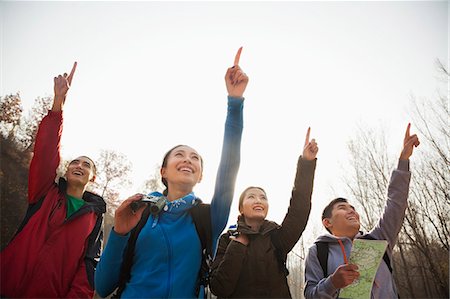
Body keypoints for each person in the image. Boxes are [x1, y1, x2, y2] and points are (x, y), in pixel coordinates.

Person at [94, 48, 248, 299]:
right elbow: (103, 286)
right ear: (163, 171)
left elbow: (229, 168)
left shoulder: (208, 218)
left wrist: (235, 103)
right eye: (179, 154)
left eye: (195, 158)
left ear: (200, 176)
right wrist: (120, 232)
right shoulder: (138, 213)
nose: (188, 159)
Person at [0, 62, 107, 298]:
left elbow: (87, 270)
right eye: (74, 162)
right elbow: (46, 151)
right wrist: (58, 104)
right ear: (66, 172)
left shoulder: (94, 218)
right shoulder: (44, 193)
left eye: (86, 164)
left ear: (93, 177)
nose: (79, 165)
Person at [304, 124, 420, 299]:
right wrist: (332, 283)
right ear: (327, 222)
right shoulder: (318, 252)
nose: (352, 212)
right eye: (343, 208)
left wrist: (403, 160)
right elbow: (310, 294)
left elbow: (396, 203)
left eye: (353, 208)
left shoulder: (378, 239)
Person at [210, 128, 319, 298]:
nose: (258, 200)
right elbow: (219, 288)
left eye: (263, 197)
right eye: (251, 197)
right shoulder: (226, 240)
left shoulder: (277, 237)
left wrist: (306, 163)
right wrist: (239, 244)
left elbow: (299, 209)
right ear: (241, 208)